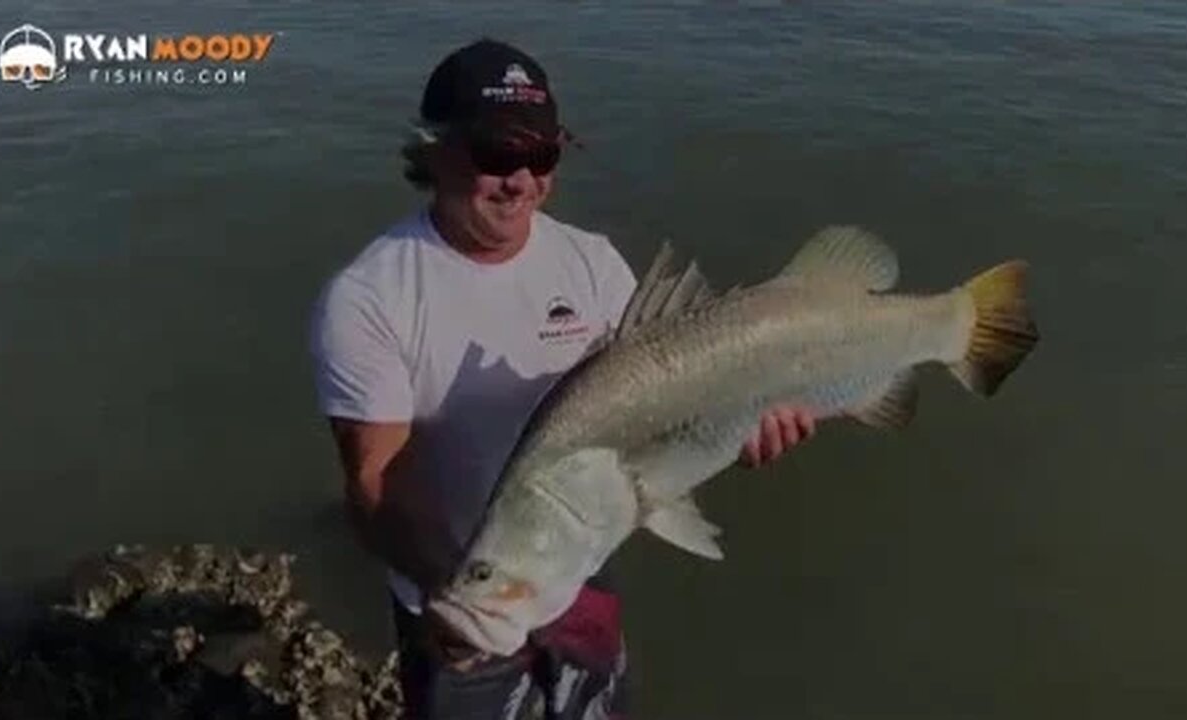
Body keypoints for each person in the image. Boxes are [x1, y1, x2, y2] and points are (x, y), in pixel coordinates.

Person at [309, 38, 817, 719]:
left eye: (541, 155)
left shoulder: (593, 265)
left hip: (578, 565)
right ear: (432, 150)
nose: (521, 180)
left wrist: (738, 431)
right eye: (496, 154)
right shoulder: (371, 298)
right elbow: (372, 482)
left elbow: (659, 425)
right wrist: (456, 596)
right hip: (459, 596)